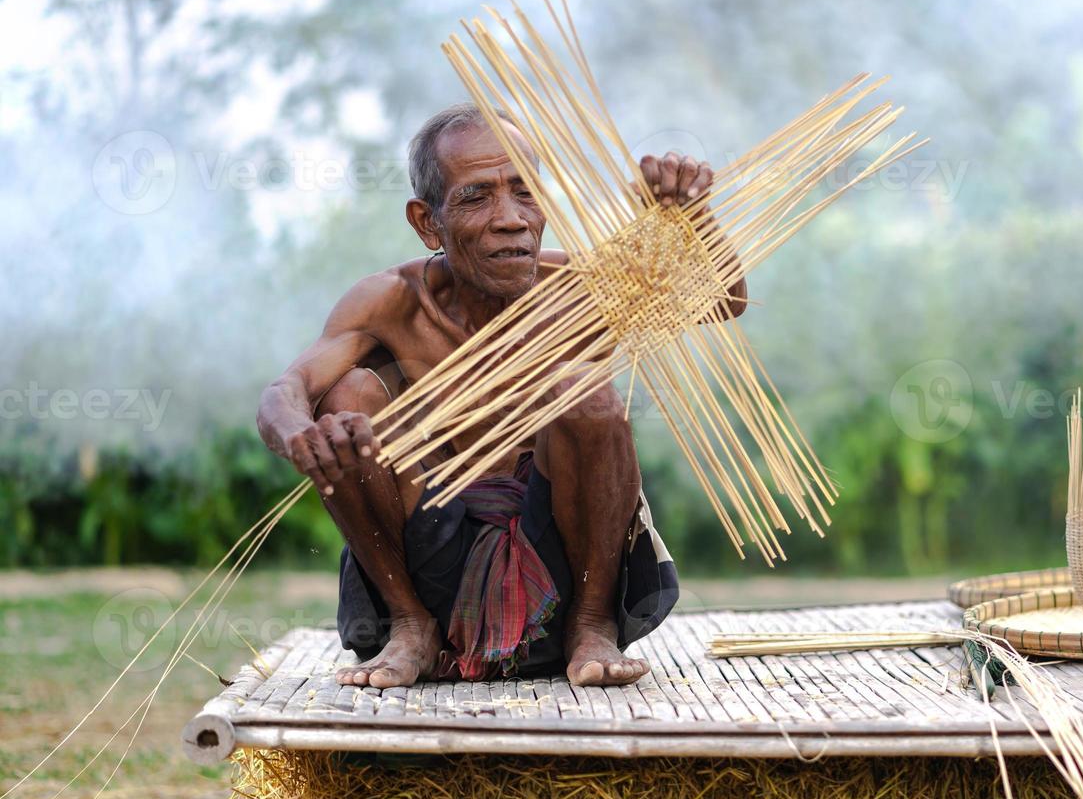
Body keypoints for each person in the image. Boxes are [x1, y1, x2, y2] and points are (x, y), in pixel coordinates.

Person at [256, 103, 744, 688]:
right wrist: (300, 434)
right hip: (433, 578)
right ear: (427, 222)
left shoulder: (580, 290)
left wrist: (693, 216)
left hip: (564, 579)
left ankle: (592, 628)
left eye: (524, 193)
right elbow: (289, 389)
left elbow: (722, 301)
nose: (510, 218)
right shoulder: (392, 301)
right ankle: (410, 627)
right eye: (475, 197)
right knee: (347, 398)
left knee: (579, 388)